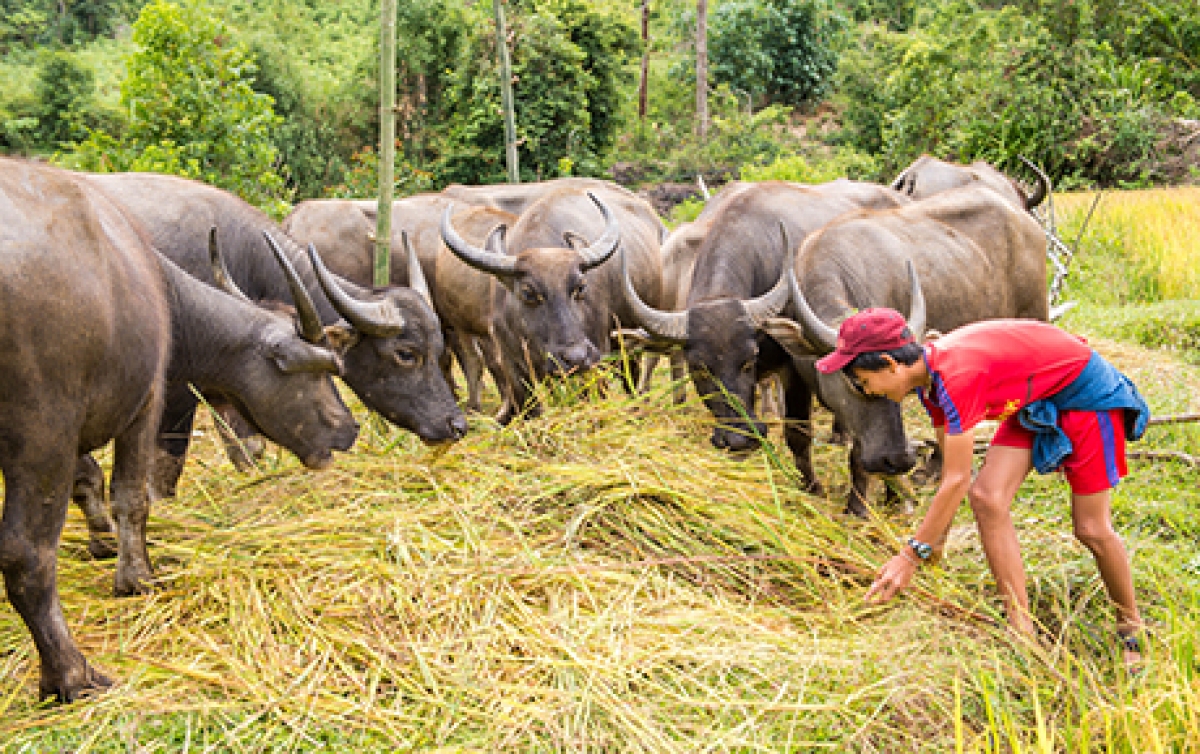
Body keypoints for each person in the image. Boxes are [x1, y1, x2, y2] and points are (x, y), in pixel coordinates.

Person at [814, 308, 1150, 665]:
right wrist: (934, 544)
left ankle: (1131, 630)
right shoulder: (929, 385)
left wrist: (910, 556)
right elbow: (952, 473)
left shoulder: (956, 376)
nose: (869, 392)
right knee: (987, 498)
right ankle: (1022, 631)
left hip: (1085, 394)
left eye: (865, 382)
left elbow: (957, 479)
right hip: (1037, 395)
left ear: (890, 363)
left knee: (1091, 528)